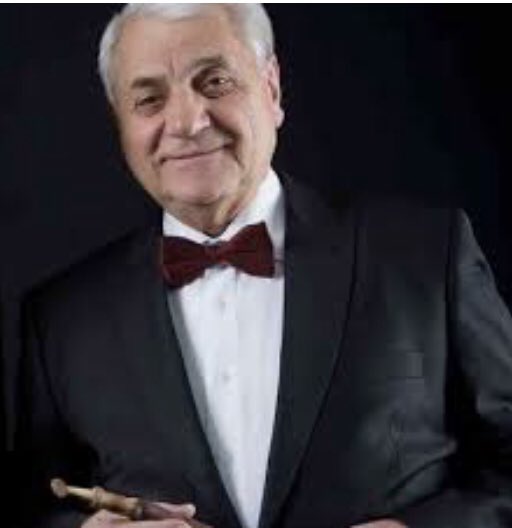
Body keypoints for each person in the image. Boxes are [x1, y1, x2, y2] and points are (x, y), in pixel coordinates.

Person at [12, 4, 512, 528]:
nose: (186, 122)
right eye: (149, 99)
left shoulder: (424, 253)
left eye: (215, 82)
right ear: (121, 123)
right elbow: (35, 507)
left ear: (271, 89)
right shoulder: (60, 318)